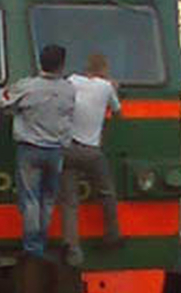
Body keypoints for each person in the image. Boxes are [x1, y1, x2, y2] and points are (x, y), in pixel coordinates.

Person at [0, 45, 76, 259]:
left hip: (30, 150)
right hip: (56, 151)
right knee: (48, 199)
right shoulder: (69, 89)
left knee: (31, 199)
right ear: (61, 65)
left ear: (40, 62)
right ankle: (42, 241)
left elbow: (1, 100)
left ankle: (32, 247)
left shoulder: (28, 87)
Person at [59, 53, 122, 267]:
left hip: (67, 149)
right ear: (103, 69)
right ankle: (112, 235)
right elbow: (117, 111)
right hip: (91, 151)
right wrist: (114, 88)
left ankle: (72, 247)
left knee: (69, 202)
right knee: (106, 192)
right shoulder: (106, 87)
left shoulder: (72, 81)